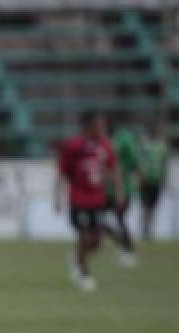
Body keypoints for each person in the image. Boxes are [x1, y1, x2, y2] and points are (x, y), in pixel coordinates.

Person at [56, 111, 120, 292]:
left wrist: (118, 190)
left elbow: (113, 168)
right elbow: (62, 172)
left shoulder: (106, 146)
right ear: (89, 126)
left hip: (97, 199)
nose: (102, 128)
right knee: (84, 235)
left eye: (103, 125)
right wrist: (58, 196)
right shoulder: (73, 146)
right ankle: (84, 274)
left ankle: (77, 257)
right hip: (78, 198)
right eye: (99, 125)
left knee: (97, 240)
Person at [108, 118, 140, 266]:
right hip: (108, 189)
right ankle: (125, 247)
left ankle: (128, 250)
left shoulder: (123, 139)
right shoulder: (107, 140)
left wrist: (136, 181)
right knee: (101, 220)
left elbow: (134, 163)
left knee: (119, 219)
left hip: (121, 188)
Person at [139, 119, 168, 241]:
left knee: (153, 207)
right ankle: (144, 231)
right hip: (146, 181)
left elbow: (164, 163)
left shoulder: (162, 144)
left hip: (157, 181)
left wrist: (163, 178)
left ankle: (150, 231)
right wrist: (140, 176)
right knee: (145, 206)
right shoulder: (144, 143)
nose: (156, 130)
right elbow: (139, 161)